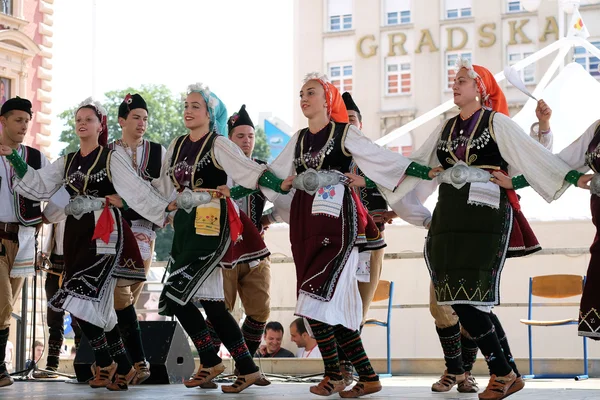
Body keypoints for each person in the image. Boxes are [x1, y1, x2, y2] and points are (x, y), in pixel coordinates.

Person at [385, 59, 582, 400]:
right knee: (464, 299)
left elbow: (536, 158)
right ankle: (510, 374)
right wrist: (388, 185)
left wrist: (542, 131)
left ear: (481, 89)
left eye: (462, 80)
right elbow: (413, 164)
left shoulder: (497, 123)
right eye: (454, 80)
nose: (455, 85)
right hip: (449, 217)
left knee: (467, 300)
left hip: (485, 215)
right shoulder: (445, 128)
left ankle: (500, 372)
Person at [251, 72, 439, 398]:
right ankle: (361, 375)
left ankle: (339, 374)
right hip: (308, 226)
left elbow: (385, 161)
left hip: (340, 230)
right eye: (300, 94)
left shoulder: (344, 134)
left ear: (327, 99)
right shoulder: (297, 140)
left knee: (314, 300)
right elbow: (271, 174)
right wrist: (244, 184)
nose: (303, 98)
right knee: (322, 307)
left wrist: (422, 171)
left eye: (310, 92)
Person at [0, 97, 173, 391]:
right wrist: (15, 158)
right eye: (78, 119)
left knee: (89, 297)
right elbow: (41, 185)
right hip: (77, 235)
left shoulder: (110, 158)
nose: (82, 123)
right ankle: (116, 365)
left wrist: (162, 208)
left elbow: (136, 189)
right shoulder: (68, 161)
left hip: (105, 234)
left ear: (100, 125)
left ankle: (117, 364)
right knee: (81, 302)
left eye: (88, 119)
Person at [150, 83, 289, 393]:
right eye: (186, 104)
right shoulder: (177, 144)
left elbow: (249, 172)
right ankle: (246, 368)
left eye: (196, 106)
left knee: (174, 294)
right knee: (213, 304)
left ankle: (212, 360)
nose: (188, 110)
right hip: (187, 226)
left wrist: (279, 185)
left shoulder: (219, 144)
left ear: (210, 113)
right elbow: (164, 184)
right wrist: (167, 208)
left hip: (211, 225)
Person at [202, 104, 272, 388]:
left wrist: (269, 217)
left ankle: (245, 367)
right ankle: (208, 366)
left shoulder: (261, 169)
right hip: (224, 251)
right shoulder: (218, 171)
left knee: (260, 311)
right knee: (221, 311)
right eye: (240, 136)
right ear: (228, 140)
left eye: (250, 136)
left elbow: (282, 198)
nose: (246, 141)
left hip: (255, 251)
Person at [107, 93, 167, 384]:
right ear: (121, 120)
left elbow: (167, 189)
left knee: (130, 294)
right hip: (111, 229)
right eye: (135, 117)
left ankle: (123, 364)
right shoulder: (108, 152)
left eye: (145, 118)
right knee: (117, 293)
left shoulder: (158, 152)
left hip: (144, 229)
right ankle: (134, 361)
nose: (142, 123)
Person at [0, 97, 49, 388]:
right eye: (18, 120)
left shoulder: (36, 158)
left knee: (8, 304)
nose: (24, 126)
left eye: (27, 121)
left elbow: (56, 192)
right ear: (3, 121)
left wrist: (48, 217)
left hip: (24, 238)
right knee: (2, 302)